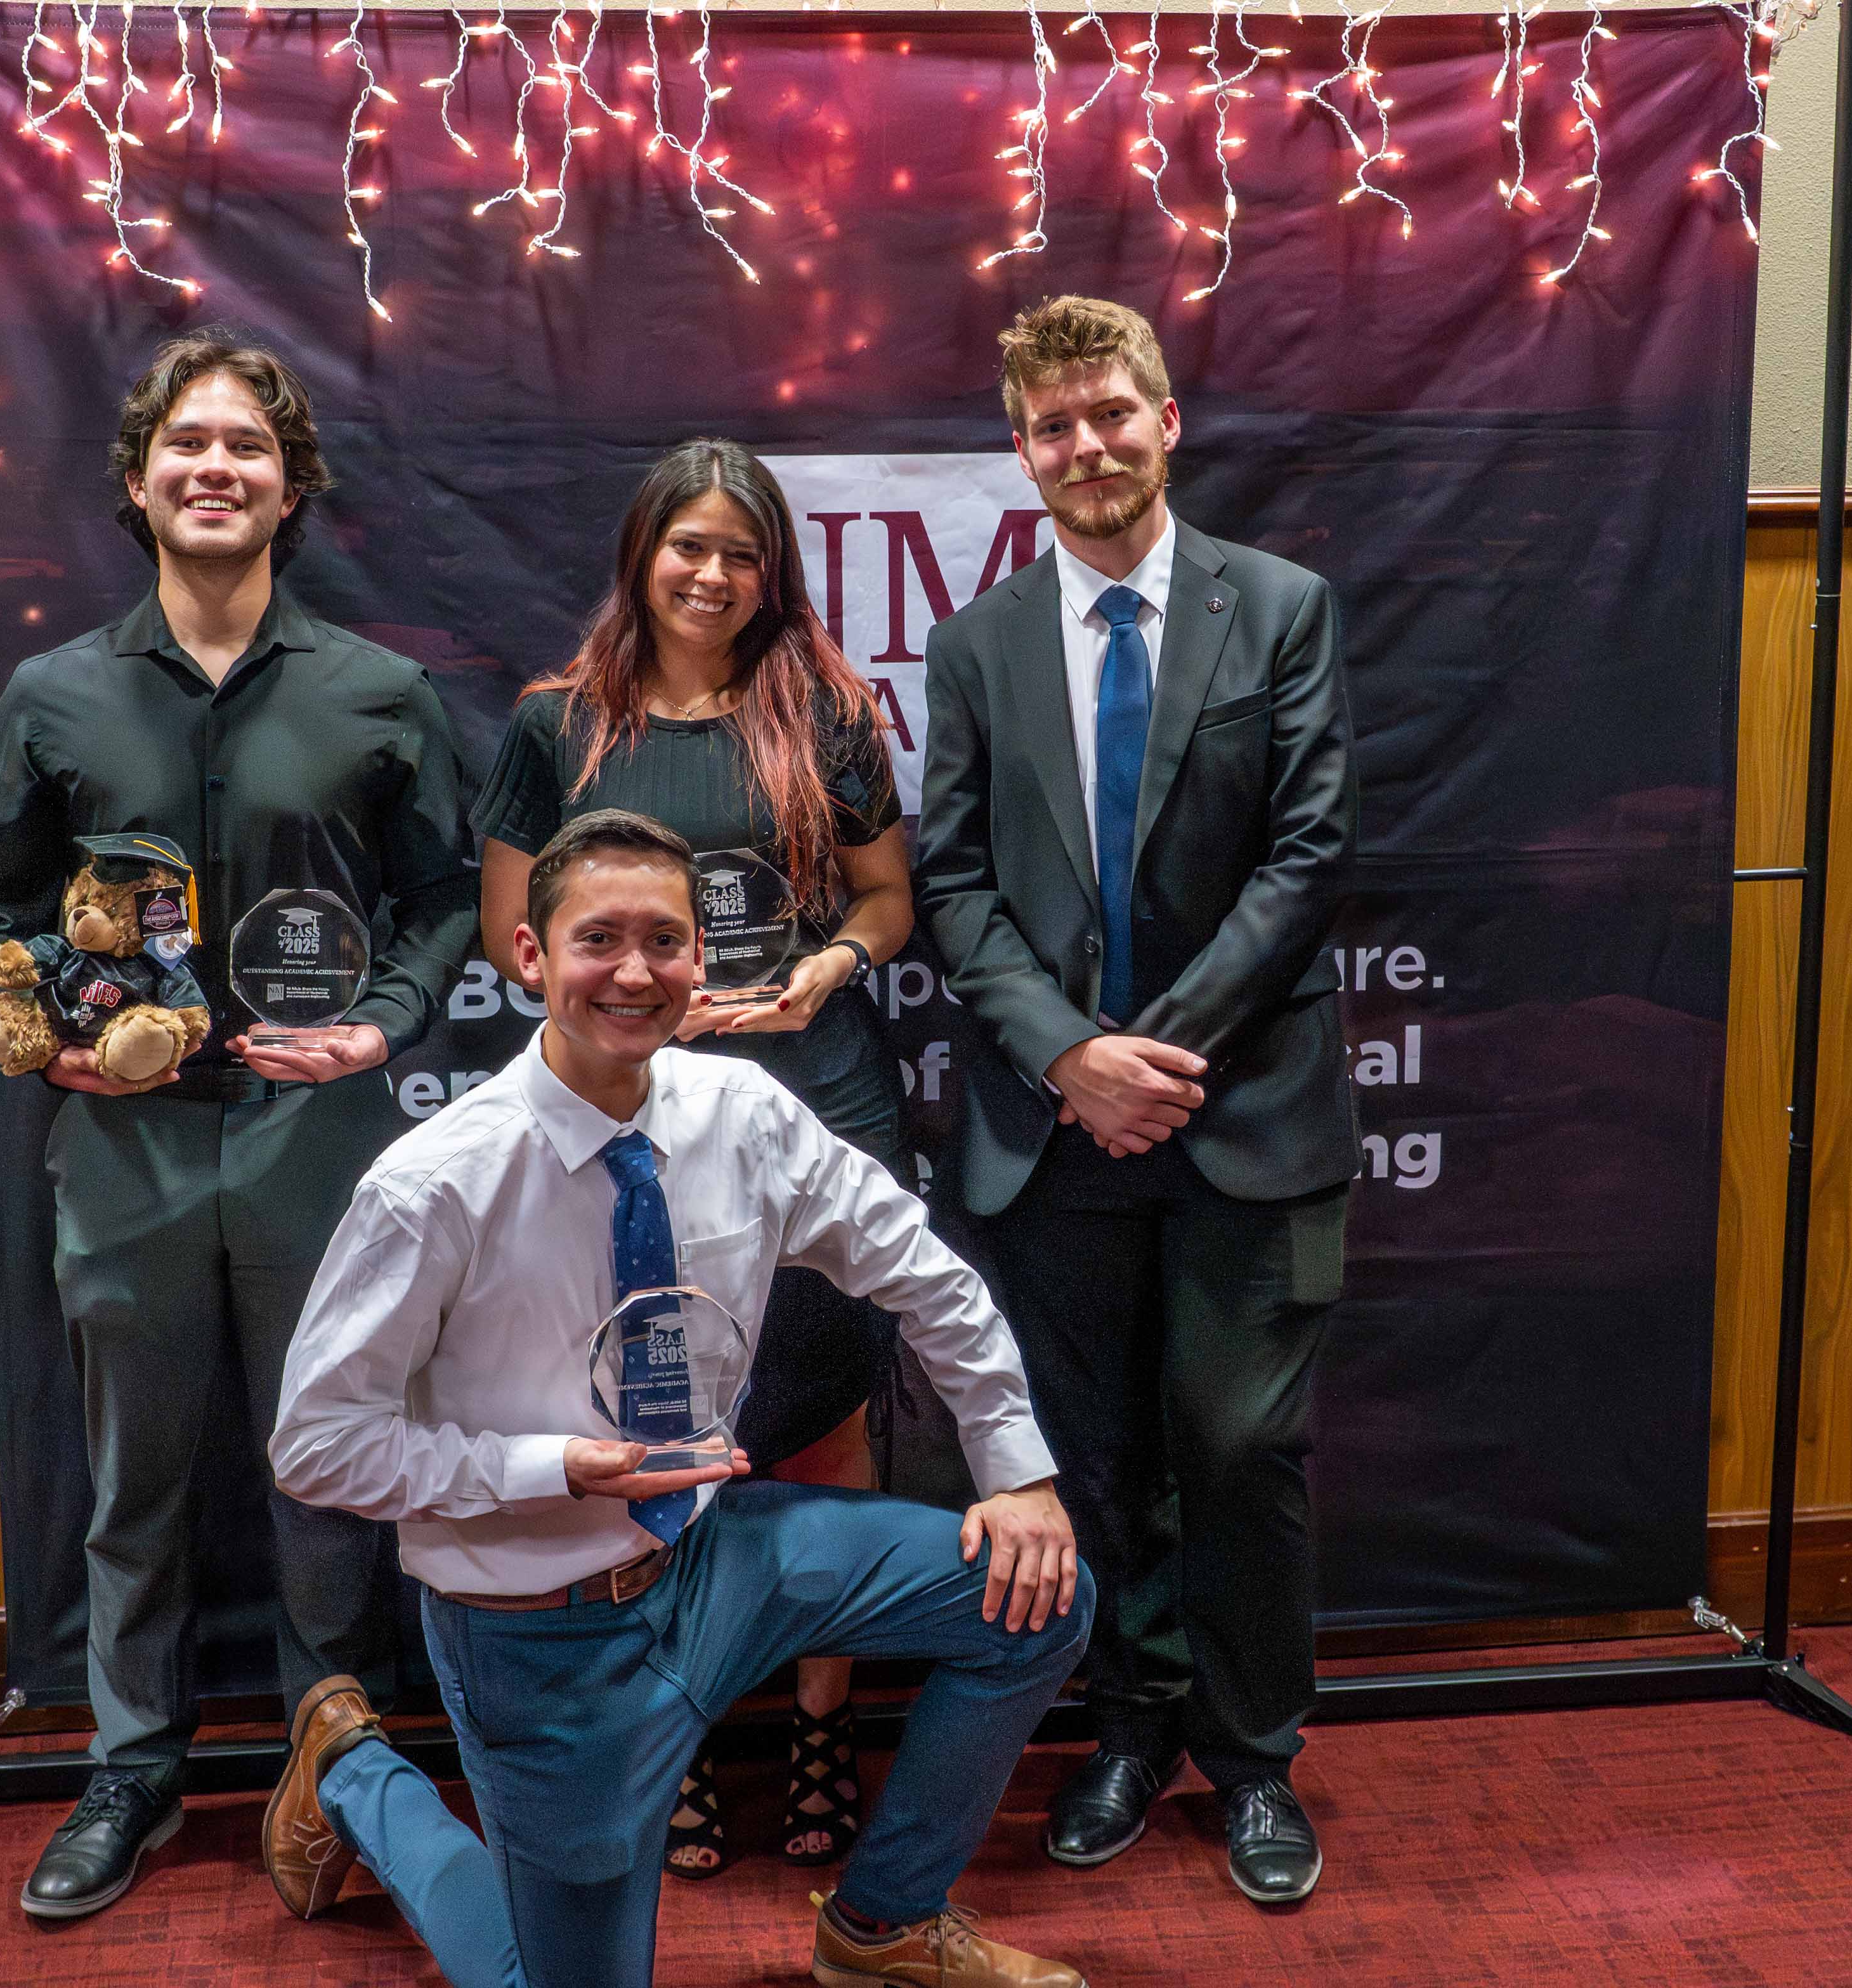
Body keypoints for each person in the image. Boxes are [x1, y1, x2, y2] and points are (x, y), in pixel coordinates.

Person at [268, 809, 1095, 1988]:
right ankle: (352, 1768)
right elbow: (317, 1449)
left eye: (667, 940)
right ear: (528, 956)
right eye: (598, 939)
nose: (637, 970)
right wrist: (551, 1465)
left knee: (1039, 1599)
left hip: (715, 1559)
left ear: (702, 963)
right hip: (540, 1628)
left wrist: (1017, 1474)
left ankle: (882, 1925)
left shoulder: (740, 1115)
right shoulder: (434, 1187)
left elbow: (929, 1276)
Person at [0, 332, 505, 1959]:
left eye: (247, 447)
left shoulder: (378, 693)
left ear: (290, 484)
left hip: (318, 1136)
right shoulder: (55, 693)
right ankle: (132, 1769)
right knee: (132, 1479)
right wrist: (48, 1027)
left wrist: (387, 1024)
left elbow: (439, 902)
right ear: (136, 480)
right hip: (119, 1150)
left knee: (329, 1466)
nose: (216, 467)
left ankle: (336, 1762)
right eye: (187, 444)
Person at [915, 296, 1360, 1904]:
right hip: (1052, 1132)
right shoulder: (973, 649)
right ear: (1021, 452)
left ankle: (1255, 1759)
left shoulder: (1284, 608)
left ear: (1167, 421)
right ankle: (1127, 1722)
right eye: (1053, 426)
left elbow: (1311, 853)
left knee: (1241, 1446)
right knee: (1089, 1459)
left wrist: (1150, 1058)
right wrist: (1068, 1059)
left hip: (1247, 1113)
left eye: (1113, 412)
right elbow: (953, 887)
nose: (1086, 446)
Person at [471, 438, 913, 1876]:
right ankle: (666, 1732)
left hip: (818, 1101)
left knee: (825, 1420)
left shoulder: (827, 711)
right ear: (641, 554)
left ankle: (820, 1729)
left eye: (742, 552)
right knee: (648, 1421)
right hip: (624, 1121)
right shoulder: (558, 723)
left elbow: (889, 896)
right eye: (689, 546)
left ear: (770, 570)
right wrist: (635, 998)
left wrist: (827, 969)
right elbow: (506, 934)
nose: (713, 575)